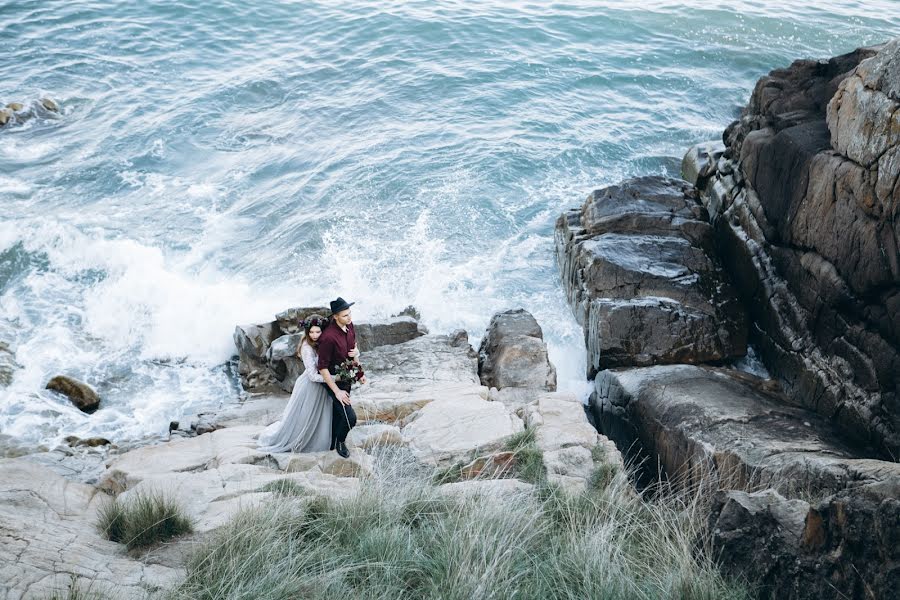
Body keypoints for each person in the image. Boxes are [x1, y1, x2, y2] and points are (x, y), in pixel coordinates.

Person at [257, 315, 333, 453]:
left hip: (322, 385)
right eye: (311, 332)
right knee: (304, 418)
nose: (314, 335)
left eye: (318, 332)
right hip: (310, 386)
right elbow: (312, 375)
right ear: (307, 332)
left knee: (320, 417)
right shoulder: (306, 347)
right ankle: (302, 441)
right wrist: (333, 379)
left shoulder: (323, 342)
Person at [317, 296, 367, 458]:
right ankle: (340, 442)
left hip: (347, 376)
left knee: (339, 413)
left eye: (350, 313)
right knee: (350, 417)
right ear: (335, 317)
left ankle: (331, 443)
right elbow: (322, 368)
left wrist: (359, 372)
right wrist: (337, 391)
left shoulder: (350, 325)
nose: (349, 317)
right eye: (345, 315)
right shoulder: (328, 337)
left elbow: (353, 348)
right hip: (333, 380)